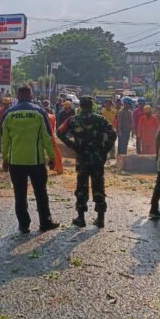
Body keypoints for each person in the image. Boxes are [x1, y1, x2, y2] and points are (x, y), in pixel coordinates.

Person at [1, 85, 59, 233]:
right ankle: (45, 222)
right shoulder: (39, 112)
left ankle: (24, 225)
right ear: (31, 95)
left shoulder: (9, 113)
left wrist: (5, 158)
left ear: (18, 96)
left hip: (16, 162)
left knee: (20, 194)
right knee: (41, 193)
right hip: (36, 162)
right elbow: (47, 136)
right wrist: (52, 157)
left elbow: (4, 139)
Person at [57, 97, 116, 228]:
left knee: (81, 187)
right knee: (99, 186)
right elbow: (112, 134)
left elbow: (59, 132)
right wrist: (104, 149)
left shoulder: (73, 120)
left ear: (81, 106)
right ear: (92, 106)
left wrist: (72, 145)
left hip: (82, 157)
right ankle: (100, 219)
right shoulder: (100, 119)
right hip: (98, 158)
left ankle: (81, 218)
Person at [42, 100, 64, 174]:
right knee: (56, 151)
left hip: (40, 134)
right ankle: (59, 168)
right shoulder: (52, 116)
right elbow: (53, 127)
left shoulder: (39, 115)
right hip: (50, 134)